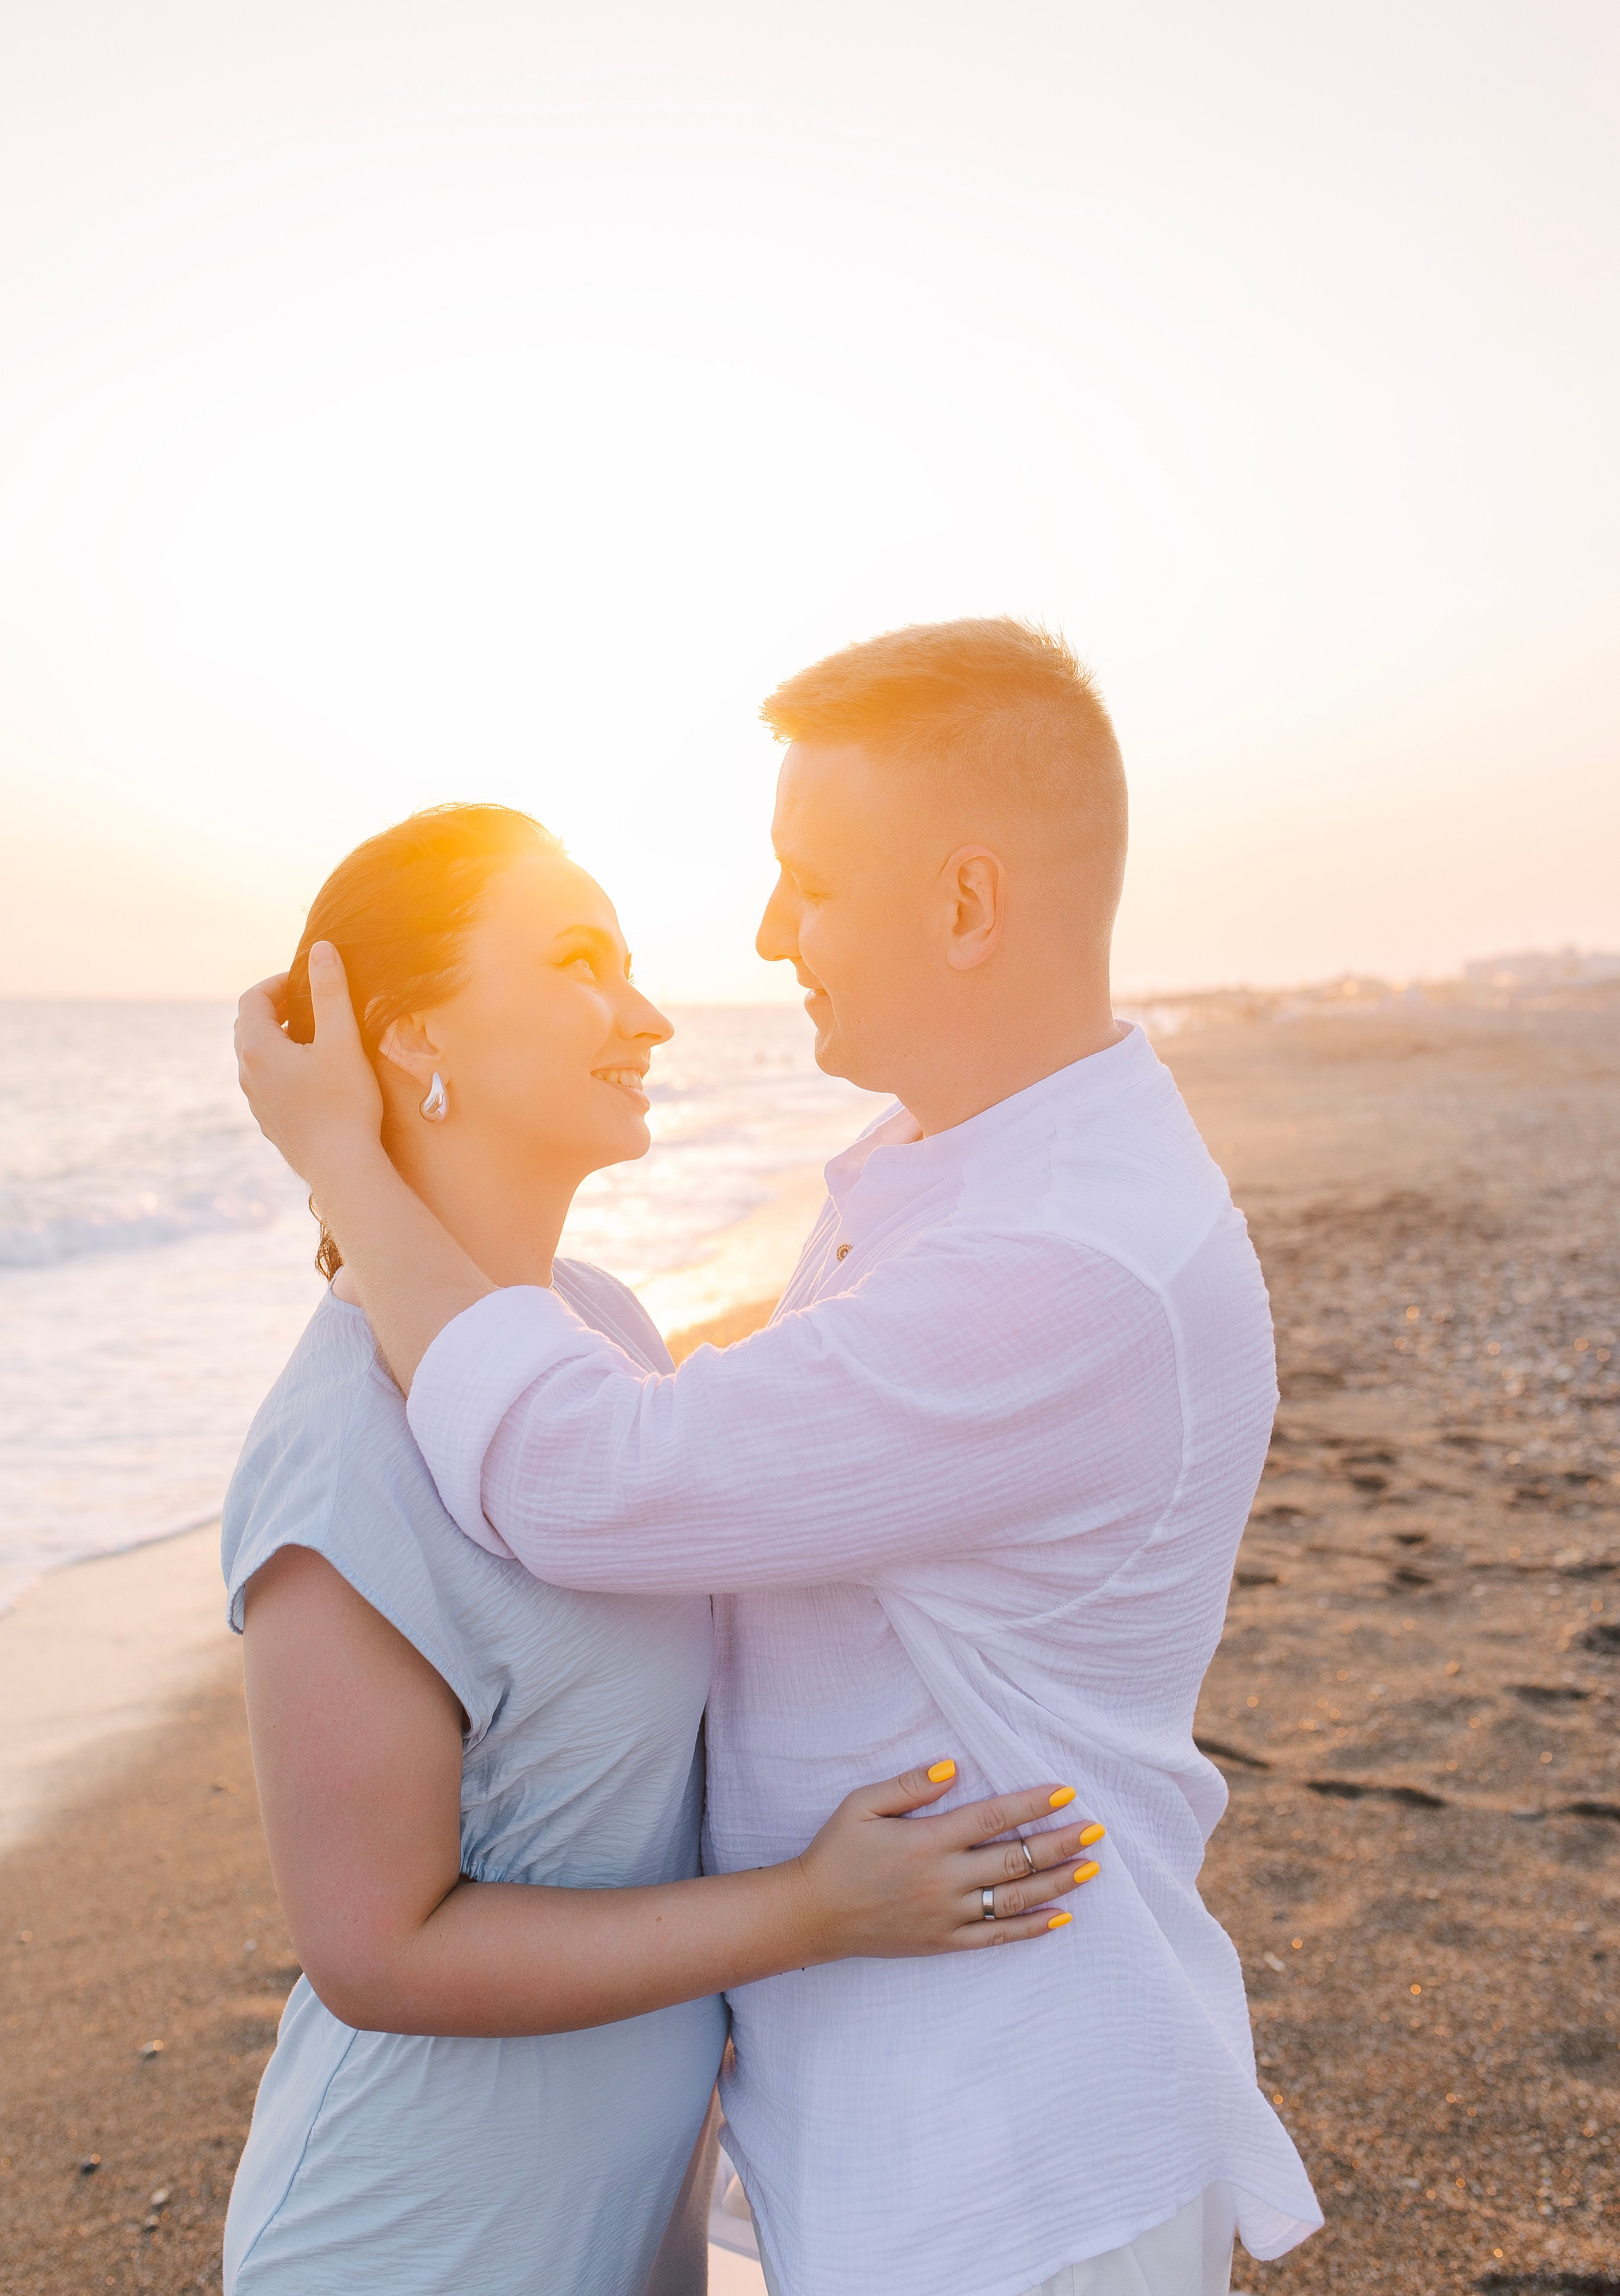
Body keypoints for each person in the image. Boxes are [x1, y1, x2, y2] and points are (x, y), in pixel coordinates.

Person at [236, 622, 1323, 2296]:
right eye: (584, 961)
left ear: (966, 905)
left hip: (999, 2160)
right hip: (784, 2160)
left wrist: (341, 1163)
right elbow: (384, 1933)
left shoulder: (1051, 1258)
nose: (749, 946)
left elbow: (589, 1482)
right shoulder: (938, 1176)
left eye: (807, 883)